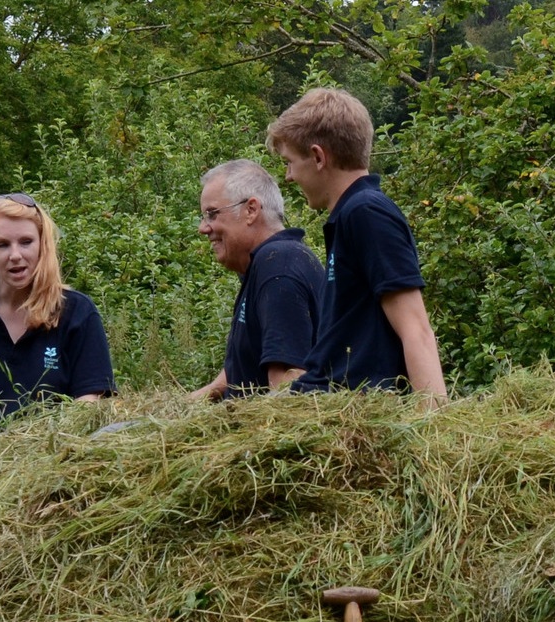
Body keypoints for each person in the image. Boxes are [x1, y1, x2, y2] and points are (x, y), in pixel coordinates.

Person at [266, 88, 447, 399]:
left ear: (319, 156)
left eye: (290, 162)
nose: (288, 177)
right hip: (326, 402)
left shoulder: (367, 212)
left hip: (354, 411)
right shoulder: (350, 214)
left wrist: (433, 432)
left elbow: (416, 329)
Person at [0, 193, 116, 444]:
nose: (15, 255)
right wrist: (0, 456)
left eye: (26, 242)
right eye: (2, 245)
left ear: (41, 244)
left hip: (65, 452)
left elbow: (90, 399)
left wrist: (49, 450)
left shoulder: (78, 312)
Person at [190, 159, 326, 401]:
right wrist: (166, 412)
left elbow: (287, 383)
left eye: (212, 214)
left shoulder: (278, 267)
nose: (203, 228)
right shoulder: (267, 263)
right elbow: (233, 376)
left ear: (251, 210)